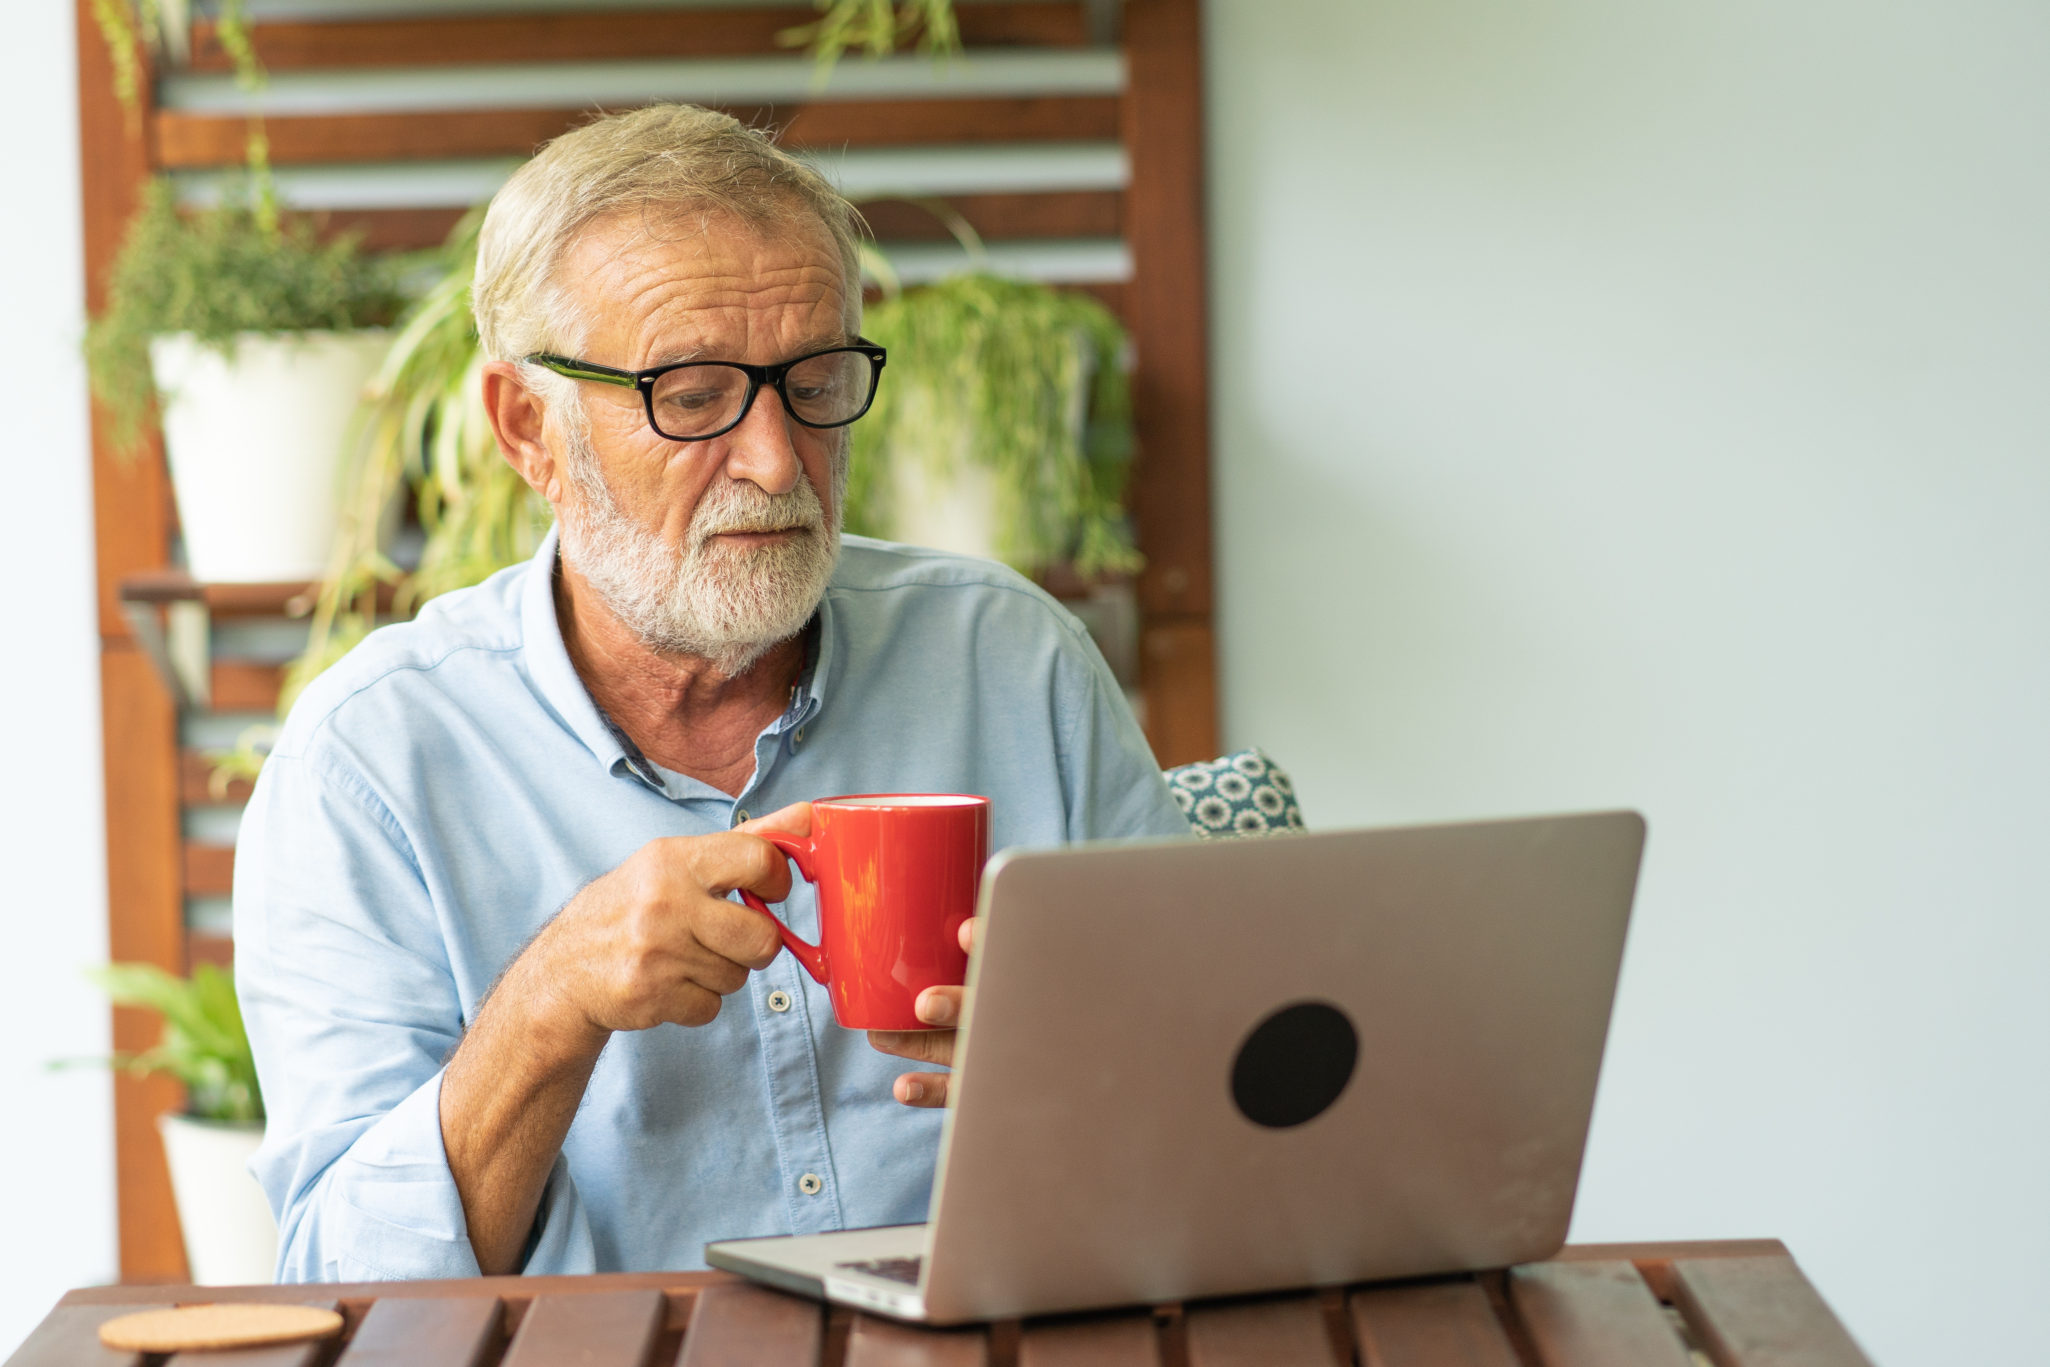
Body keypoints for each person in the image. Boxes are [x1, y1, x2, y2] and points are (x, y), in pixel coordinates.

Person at [233, 103, 1190, 1283]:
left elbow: (1222, 1090)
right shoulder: (369, 761)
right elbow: (343, 1286)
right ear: (528, 426)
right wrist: (549, 1005)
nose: (780, 460)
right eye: (691, 396)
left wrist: (1102, 1057)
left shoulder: (1012, 659)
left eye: (818, 378)